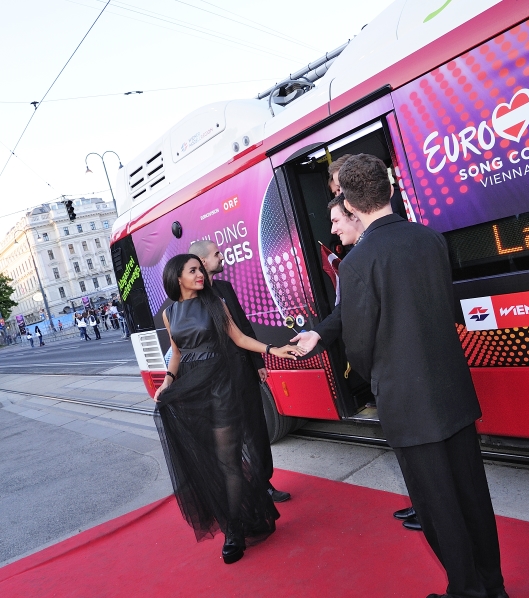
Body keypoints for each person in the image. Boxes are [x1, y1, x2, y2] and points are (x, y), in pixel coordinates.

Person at [300, 155, 507, 598]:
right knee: (473, 498)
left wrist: (378, 376)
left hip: (408, 404)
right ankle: (493, 586)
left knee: (437, 507)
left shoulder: (357, 263)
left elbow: (359, 345)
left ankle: (466, 591)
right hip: (453, 391)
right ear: (389, 191)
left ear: (352, 208)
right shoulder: (430, 239)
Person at [152, 254, 304, 564]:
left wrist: (273, 349)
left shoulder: (214, 302)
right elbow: (178, 353)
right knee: (208, 461)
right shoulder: (171, 313)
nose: (200, 274)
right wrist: (168, 381)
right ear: (177, 278)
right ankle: (239, 512)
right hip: (192, 391)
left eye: (200, 269)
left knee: (229, 461)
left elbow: (239, 337)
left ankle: (234, 531)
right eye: (192, 270)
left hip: (221, 387)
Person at [293, 192, 422, 532]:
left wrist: (367, 373)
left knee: (419, 451)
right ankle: (424, 504)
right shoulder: (402, 241)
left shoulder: (360, 259)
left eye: (335, 220)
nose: (332, 229)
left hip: (398, 373)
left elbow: (359, 327)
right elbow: (343, 310)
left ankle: (429, 509)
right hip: (410, 372)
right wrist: (319, 334)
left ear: (354, 214)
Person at [189, 239, 291, 503]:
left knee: (256, 431)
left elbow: (243, 327)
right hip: (218, 382)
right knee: (229, 441)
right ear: (202, 262)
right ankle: (239, 491)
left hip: (244, 372)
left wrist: (258, 363)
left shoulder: (225, 288)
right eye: (216, 254)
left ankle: (264, 484)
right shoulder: (191, 299)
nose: (222, 257)